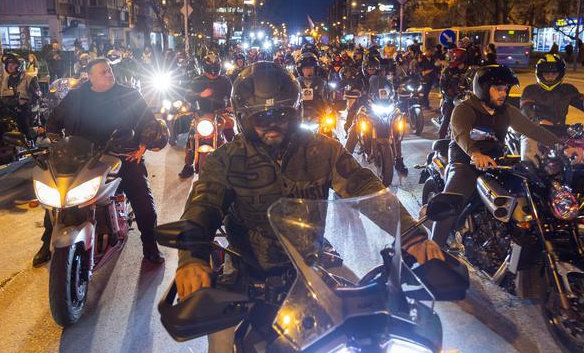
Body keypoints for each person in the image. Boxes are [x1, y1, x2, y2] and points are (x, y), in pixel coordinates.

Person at [173, 63, 443, 348]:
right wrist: (192, 259)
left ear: (296, 111)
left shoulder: (323, 149)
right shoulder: (224, 160)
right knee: (222, 343)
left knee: (370, 322)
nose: (271, 122)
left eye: (281, 113)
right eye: (260, 116)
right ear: (243, 118)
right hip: (248, 273)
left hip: (315, 265)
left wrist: (412, 235)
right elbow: (203, 206)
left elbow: (364, 186)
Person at [33, 58, 168, 266]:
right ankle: (46, 242)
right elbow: (53, 122)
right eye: (103, 72)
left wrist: (141, 147)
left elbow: (149, 121)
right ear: (90, 76)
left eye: (110, 70)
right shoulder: (76, 97)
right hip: (80, 157)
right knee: (58, 199)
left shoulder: (129, 94)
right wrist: (54, 144)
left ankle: (150, 245)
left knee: (142, 199)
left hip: (120, 156)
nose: (109, 74)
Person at [431, 65, 584, 247]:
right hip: (465, 161)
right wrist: (475, 153)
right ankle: (433, 249)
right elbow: (460, 134)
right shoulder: (464, 109)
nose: (503, 93)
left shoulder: (506, 111)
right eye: (498, 89)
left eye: (505, 89)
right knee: (451, 202)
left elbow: (533, 129)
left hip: (496, 162)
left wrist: (563, 146)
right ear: (483, 88)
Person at [521, 55, 584, 164]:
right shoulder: (530, 90)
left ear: (560, 74)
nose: (550, 76)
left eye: (554, 73)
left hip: (561, 130)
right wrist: (539, 121)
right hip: (536, 131)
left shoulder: (567, 90)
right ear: (539, 73)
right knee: (531, 153)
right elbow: (526, 110)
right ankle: (529, 177)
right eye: (546, 73)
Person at [178, 53, 234, 178]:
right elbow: (187, 95)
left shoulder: (225, 80)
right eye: (211, 68)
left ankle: (236, 159)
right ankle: (188, 165)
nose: (213, 71)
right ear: (205, 68)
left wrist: (231, 106)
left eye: (215, 67)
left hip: (220, 114)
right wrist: (200, 95)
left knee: (230, 127)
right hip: (201, 115)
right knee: (192, 136)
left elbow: (232, 96)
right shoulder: (197, 81)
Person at [1, 54, 42, 139]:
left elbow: (37, 97)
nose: (10, 66)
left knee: (27, 132)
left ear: (20, 65)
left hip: (25, 111)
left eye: (13, 64)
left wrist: (28, 105)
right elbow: (2, 94)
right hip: (11, 111)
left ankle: (29, 143)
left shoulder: (29, 78)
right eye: (8, 64)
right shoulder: (7, 80)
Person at [438, 48, 468, 139]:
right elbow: (442, 85)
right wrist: (448, 92)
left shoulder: (469, 70)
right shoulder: (449, 70)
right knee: (447, 117)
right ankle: (441, 137)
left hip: (466, 98)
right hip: (452, 99)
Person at [295, 51, 328, 118]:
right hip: (300, 116)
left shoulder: (321, 82)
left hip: (319, 116)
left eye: (312, 68)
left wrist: (329, 108)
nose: (309, 71)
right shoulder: (295, 83)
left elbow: (326, 98)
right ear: (300, 70)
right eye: (306, 68)